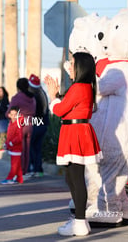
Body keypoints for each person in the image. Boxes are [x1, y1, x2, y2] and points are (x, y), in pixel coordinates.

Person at [44, 52, 102, 237]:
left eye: (72, 63)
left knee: (76, 178)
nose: (69, 66)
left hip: (76, 133)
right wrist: (56, 95)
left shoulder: (79, 86)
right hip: (74, 132)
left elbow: (60, 109)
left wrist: (53, 97)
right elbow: (68, 105)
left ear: (80, 67)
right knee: (72, 178)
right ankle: (79, 220)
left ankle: (79, 222)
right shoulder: (81, 86)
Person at [7, 78, 36, 176]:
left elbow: (9, 112)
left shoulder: (17, 98)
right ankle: (26, 170)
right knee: (27, 149)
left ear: (18, 87)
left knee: (20, 149)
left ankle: (20, 170)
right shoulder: (32, 98)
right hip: (30, 125)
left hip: (20, 126)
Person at [28, 74, 50, 177]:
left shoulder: (32, 96)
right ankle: (38, 170)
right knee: (38, 148)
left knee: (31, 146)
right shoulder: (43, 94)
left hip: (34, 124)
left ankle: (32, 168)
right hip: (43, 124)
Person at [0, 106, 24, 185]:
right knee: (17, 165)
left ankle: (10, 178)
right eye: (12, 114)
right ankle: (19, 178)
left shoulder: (18, 124)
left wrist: (11, 143)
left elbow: (19, 137)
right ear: (9, 115)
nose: (13, 116)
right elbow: (10, 135)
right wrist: (7, 144)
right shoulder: (11, 123)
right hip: (12, 148)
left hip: (17, 148)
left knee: (14, 165)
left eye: (15, 114)